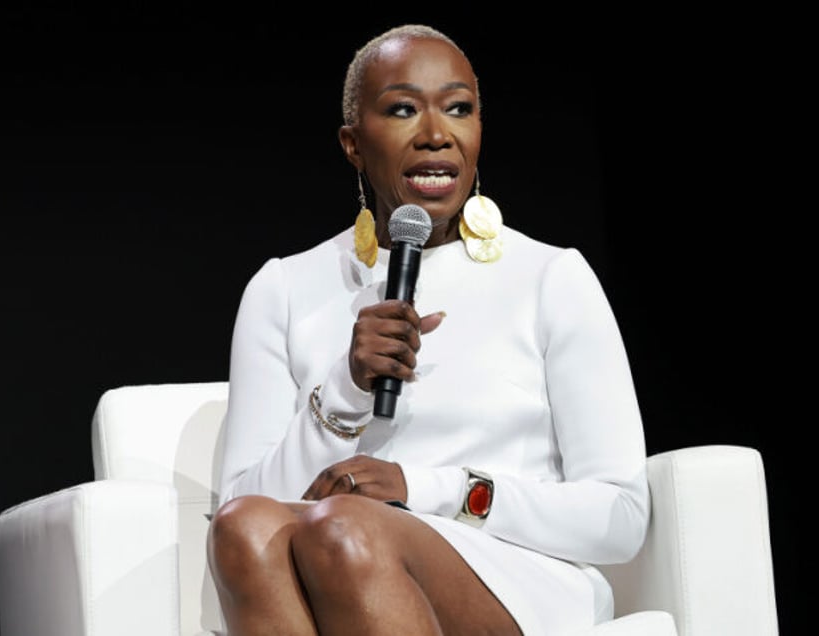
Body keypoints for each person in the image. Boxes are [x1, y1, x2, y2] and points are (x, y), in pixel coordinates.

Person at [207, 23, 650, 636]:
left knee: (346, 529)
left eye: (459, 109)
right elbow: (243, 505)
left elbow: (621, 515)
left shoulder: (551, 276)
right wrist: (345, 388)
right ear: (353, 144)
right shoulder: (283, 289)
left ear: (478, 133)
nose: (437, 134)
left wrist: (424, 488)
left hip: (515, 573)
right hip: (335, 551)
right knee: (246, 530)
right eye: (403, 109)